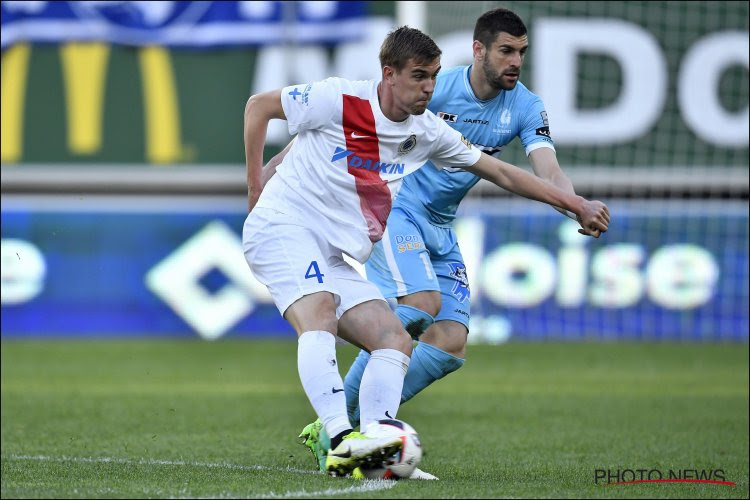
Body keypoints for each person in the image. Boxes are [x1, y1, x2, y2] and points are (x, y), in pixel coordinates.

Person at [244, 26, 609, 478]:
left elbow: (503, 173)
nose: (428, 88)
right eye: (419, 77)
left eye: (433, 77)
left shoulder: (428, 130)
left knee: (394, 339)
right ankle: (339, 439)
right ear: (389, 74)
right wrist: (257, 185)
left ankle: (379, 447)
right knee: (322, 310)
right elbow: (259, 106)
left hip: (337, 249)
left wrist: (575, 203)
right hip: (282, 226)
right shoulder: (339, 97)